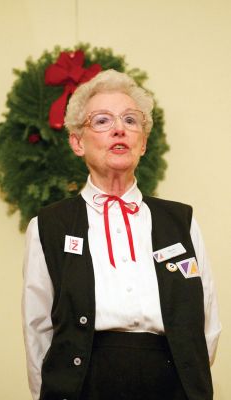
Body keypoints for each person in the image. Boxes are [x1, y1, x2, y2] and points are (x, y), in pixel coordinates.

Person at [22, 69, 221, 400]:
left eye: (131, 120)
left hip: (171, 386)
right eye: (102, 121)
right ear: (77, 142)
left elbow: (206, 319)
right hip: (86, 385)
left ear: (142, 143)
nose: (119, 129)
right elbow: (37, 329)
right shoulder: (48, 225)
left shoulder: (181, 221)